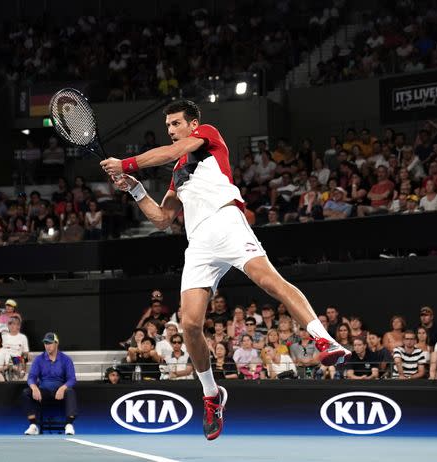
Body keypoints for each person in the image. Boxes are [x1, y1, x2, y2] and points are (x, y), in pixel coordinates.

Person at [101, 100, 344, 439]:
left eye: (175, 124)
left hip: (226, 221)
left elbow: (176, 151)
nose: (171, 130)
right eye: (168, 126)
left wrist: (126, 162)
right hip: (198, 241)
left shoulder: (208, 136)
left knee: (269, 281)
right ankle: (212, 395)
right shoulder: (178, 173)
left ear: (193, 123)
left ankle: (323, 340)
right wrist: (135, 188)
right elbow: (162, 219)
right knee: (189, 323)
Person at [23, 332, 77, 436]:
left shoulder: (66, 359)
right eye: (45, 343)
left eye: (50, 343)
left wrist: (62, 388)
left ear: (56, 344)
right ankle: (33, 425)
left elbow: (72, 379)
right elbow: (31, 377)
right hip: (44, 392)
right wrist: (34, 387)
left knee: (70, 391)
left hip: (60, 391)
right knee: (26, 392)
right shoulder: (39, 359)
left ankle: (69, 425)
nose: (47, 346)